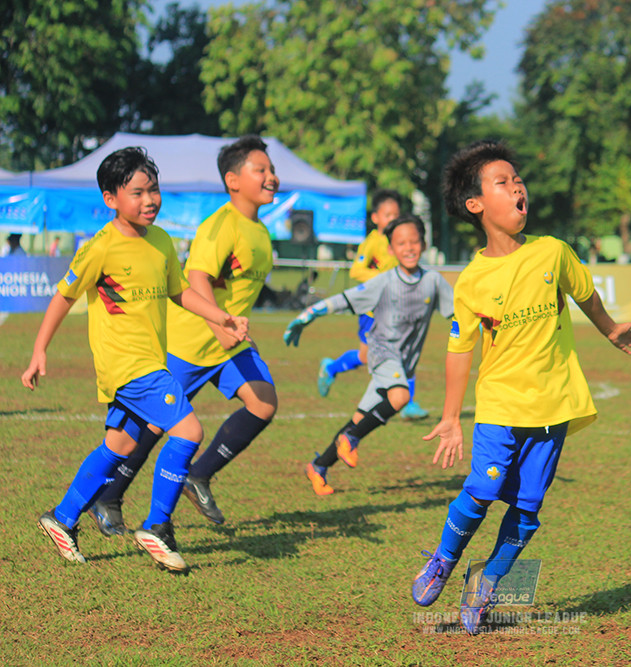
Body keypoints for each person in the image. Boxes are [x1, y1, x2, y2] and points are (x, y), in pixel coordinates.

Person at [409, 140, 631, 635]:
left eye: (518, 178)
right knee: (483, 487)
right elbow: (459, 350)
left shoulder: (553, 252)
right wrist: (452, 417)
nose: (517, 186)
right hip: (499, 404)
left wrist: (610, 330)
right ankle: (443, 559)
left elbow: (587, 295)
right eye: (503, 181)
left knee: (527, 509)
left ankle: (486, 584)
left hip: (554, 405)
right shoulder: (472, 280)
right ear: (476, 204)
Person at [21, 147, 249, 572]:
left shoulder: (161, 241)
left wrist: (221, 317)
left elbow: (179, 291)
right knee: (189, 428)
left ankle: (63, 517)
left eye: (155, 190)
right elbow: (63, 296)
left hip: (150, 362)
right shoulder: (100, 249)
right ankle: (158, 526)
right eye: (138, 192)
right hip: (128, 366)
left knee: (120, 444)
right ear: (111, 199)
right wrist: (39, 350)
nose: (150, 200)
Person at [89, 135, 280, 533]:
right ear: (232, 180)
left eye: (271, 169)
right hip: (191, 342)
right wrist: (218, 324)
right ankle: (107, 498)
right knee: (152, 425)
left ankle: (199, 475)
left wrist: (235, 330)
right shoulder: (219, 226)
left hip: (228, 345)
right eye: (260, 170)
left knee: (263, 402)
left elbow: (236, 291)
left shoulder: (260, 231)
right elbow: (197, 278)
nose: (271, 177)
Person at [283, 214, 454, 494]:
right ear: (391, 249)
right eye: (401, 243)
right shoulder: (384, 282)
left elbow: (458, 312)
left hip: (402, 364)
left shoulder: (433, 281)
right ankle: (350, 439)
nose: (409, 247)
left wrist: (488, 326)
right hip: (381, 352)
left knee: (361, 419)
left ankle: (318, 466)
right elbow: (345, 299)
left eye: (414, 241)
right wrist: (310, 313)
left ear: (423, 244)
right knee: (400, 397)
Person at [317, 190, 430, 420]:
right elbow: (357, 270)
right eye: (388, 215)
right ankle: (331, 367)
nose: (393, 219)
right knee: (366, 356)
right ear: (376, 218)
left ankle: (407, 404)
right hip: (372, 310)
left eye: (396, 215)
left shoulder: (399, 241)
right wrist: (382, 279)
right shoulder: (372, 242)